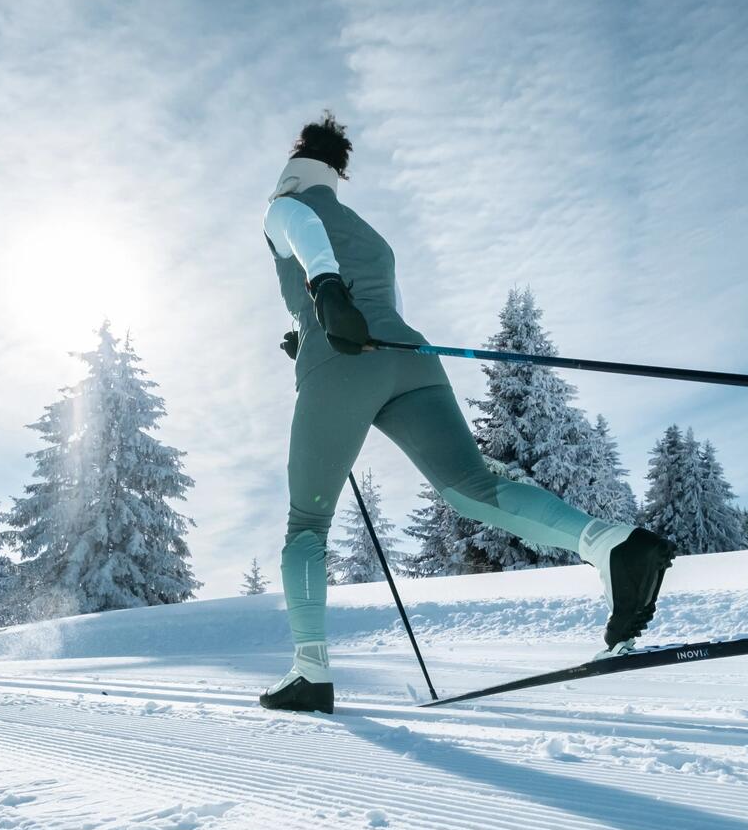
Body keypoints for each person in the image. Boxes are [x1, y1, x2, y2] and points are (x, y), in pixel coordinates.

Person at [260, 113, 674, 713]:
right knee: (473, 485)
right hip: (407, 357)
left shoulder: (285, 204)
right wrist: (314, 319)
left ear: (295, 165)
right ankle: (611, 544)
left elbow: (301, 230)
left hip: (341, 362)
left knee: (307, 526)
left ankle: (310, 673)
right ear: (336, 170)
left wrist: (323, 295)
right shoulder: (371, 234)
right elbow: (383, 310)